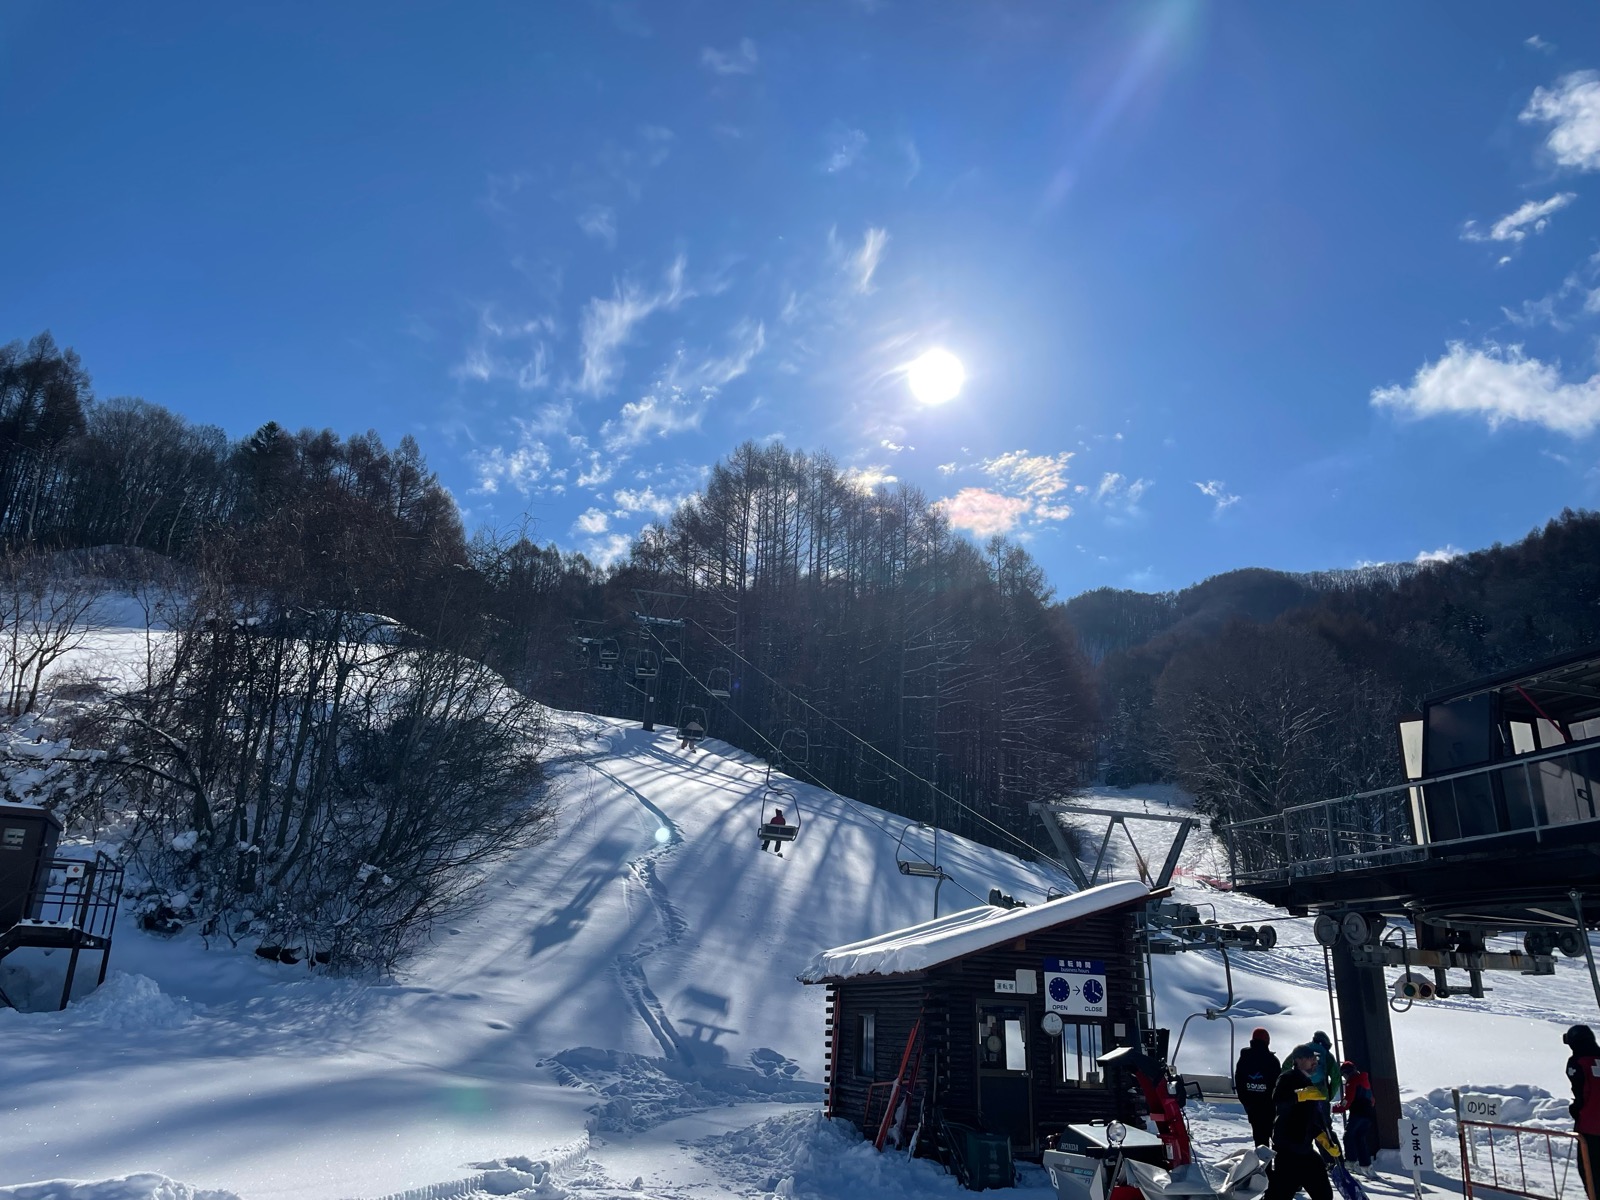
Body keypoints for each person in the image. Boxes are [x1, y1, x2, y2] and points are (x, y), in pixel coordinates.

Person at [1264, 1044, 1338, 1200]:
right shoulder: (1287, 1077)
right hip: (1287, 1152)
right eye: (1310, 1057)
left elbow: (1309, 1119)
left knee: (1324, 1194)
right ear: (1297, 1060)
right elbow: (1278, 1100)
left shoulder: (1309, 1083)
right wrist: (1299, 1095)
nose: (1314, 1061)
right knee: (1278, 1196)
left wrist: (1323, 1138)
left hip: (1305, 1150)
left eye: (1315, 1058)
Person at [1564, 1024, 1600, 1200]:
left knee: (1590, 1171)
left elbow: (1582, 1094)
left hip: (1590, 1126)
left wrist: (1576, 1109)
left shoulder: (1578, 1062)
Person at [1237, 1027, 1282, 1147]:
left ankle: (1263, 1163)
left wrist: (1246, 1101)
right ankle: (1276, 1163)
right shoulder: (1272, 1061)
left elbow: (1239, 1080)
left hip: (1251, 1105)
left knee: (1259, 1139)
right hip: (1268, 1106)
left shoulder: (1244, 1058)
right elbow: (1278, 1084)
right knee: (1276, 1137)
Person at [1334, 1059, 1377, 1179]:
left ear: (1347, 1072)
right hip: (1368, 1115)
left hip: (1357, 1113)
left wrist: (1336, 1109)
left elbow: (1348, 1099)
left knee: (1348, 1136)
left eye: (1344, 1074)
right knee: (1360, 1138)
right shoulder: (1365, 1080)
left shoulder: (1352, 1081)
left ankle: (1350, 1162)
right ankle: (1366, 1165)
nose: (1344, 1077)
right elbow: (1372, 1100)